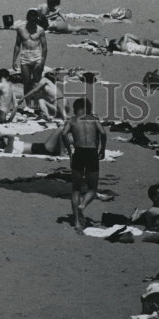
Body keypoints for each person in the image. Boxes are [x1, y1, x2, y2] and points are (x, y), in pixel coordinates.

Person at [59, 97, 108, 231]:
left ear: (76, 109)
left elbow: (63, 134)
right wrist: (102, 149)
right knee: (92, 188)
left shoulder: (72, 120)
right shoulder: (93, 119)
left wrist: (69, 151)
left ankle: (76, 222)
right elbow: (103, 133)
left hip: (79, 153)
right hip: (91, 153)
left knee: (76, 189)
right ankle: (83, 205)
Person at [13, 10, 48, 107]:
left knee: (37, 83)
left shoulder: (40, 30)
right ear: (28, 19)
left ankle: (36, 105)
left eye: (35, 20)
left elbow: (44, 47)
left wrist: (43, 62)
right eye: (31, 20)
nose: (33, 22)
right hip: (25, 56)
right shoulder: (20, 29)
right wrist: (14, 60)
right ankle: (28, 106)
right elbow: (17, 45)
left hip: (37, 57)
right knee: (26, 83)